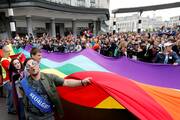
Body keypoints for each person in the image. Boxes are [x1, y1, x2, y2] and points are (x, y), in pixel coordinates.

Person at [19, 58, 91, 120]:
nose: (32, 66)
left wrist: (81, 82)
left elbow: (67, 82)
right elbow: (23, 98)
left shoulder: (49, 77)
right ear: (27, 70)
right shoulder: (23, 83)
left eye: (33, 64)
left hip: (48, 116)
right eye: (28, 66)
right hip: (33, 117)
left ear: (38, 65)